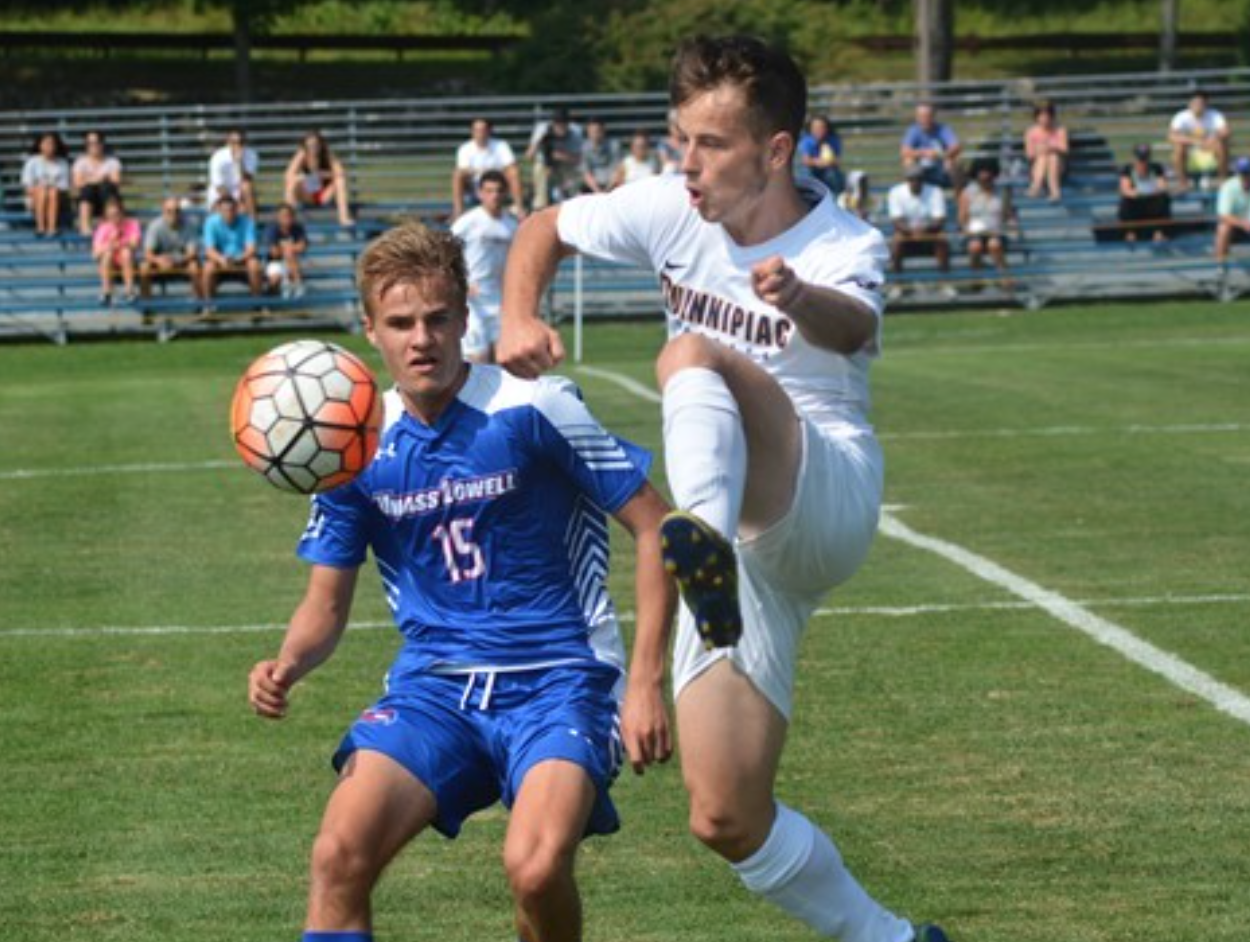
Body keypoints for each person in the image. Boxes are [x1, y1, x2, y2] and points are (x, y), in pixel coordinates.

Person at [499, 33, 951, 942]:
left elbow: (854, 321)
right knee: (725, 815)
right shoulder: (674, 206)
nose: (687, 163)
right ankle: (896, 939)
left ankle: (692, 534)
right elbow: (545, 226)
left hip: (821, 493)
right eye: (680, 138)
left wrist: (795, 298)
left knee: (692, 353)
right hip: (741, 574)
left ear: (776, 150)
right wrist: (517, 313)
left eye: (710, 144)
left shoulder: (842, 240)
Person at [248, 220, 675, 942]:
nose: (422, 338)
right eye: (401, 322)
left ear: (464, 315)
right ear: (370, 331)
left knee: (536, 869)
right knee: (337, 855)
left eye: (438, 318)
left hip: (560, 680)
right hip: (435, 689)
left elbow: (656, 525)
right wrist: (288, 663)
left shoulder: (531, 409)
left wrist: (642, 683)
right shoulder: (356, 445)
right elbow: (325, 605)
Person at [450, 170, 517, 364]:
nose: (494, 195)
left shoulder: (511, 225)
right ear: (480, 193)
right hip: (472, 302)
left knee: (505, 360)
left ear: (505, 193)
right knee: (478, 359)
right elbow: (445, 251)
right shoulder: (468, 222)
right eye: (489, 191)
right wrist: (460, 281)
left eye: (498, 191)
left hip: (500, 302)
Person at [887, 164, 951, 285]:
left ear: (923, 179)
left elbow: (940, 219)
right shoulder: (896, 192)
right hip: (907, 236)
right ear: (906, 179)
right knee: (897, 240)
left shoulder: (935, 191)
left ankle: (945, 282)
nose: (915, 181)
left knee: (942, 238)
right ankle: (898, 284)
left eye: (919, 178)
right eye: (912, 178)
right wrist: (912, 232)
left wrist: (923, 230)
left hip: (929, 235)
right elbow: (897, 221)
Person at [451, 117, 524, 220]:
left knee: (514, 172)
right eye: (476, 130)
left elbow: (511, 165)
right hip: (475, 186)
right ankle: (458, 211)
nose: (480, 133)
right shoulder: (465, 148)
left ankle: (519, 208)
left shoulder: (501, 145)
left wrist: (481, 171)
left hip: (499, 184)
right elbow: (464, 170)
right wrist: (488, 171)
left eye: (483, 130)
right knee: (457, 174)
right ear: (472, 132)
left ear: (489, 131)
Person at [958, 158, 1016, 283]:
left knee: (994, 244)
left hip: (997, 232)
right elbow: (962, 218)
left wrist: (1005, 228)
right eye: (981, 172)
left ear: (993, 174)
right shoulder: (967, 193)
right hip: (973, 233)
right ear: (976, 174)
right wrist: (968, 230)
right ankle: (976, 278)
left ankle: (1005, 277)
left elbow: (1008, 216)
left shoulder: (1002, 193)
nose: (985, 175)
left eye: (988, 172)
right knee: (975, 246)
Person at [284, 130, 354, 227]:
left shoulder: (327, 154)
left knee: (340, 181)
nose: (313, 148)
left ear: (321, 145)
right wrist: (305, 177)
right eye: (310, 146)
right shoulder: (302, 154)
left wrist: (325, 174)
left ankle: (343, 217)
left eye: (315, 145)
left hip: (325, 194)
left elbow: (341, 173)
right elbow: (288, 175)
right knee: (292, 183)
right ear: (305, 146)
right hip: (308, 193)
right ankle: (288, 219)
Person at [202, 194, 262, 302]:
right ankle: (208, 305)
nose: (229, 213)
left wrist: (238, 259)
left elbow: (251, 248)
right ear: (219, 210)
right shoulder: (210, 222)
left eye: (231, 209)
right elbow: (209, 250)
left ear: (236, 209)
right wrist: (221, 259)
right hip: (219, 262)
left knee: (254, 265)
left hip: (242, 260)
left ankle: (257, 303)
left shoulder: (248, 222)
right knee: (208, 268)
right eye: (225, 210)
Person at [141, 197, 202, 300]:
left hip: (182, 261)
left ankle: (198, 303)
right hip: (159, 263)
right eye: (169, 211)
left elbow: (192, 253)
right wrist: (158, 260)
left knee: (194, 267)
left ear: (181, 212)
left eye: (177, 211)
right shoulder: (155, 226)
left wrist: (176, 261)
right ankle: (146, 306)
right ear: (163, 211)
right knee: (144, 267)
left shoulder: (190, 225)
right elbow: (147, 253)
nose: (174, 214)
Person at [1168, 91, 1230, 191]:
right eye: (1195, 103)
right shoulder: (1181, 117)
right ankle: (1183, 183)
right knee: (1178, 148)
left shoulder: (1215, 115)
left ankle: (1222, 181)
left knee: (1221, 145)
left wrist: (1213, 138)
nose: (1198, 106)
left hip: (1210, 152)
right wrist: (1196, 142)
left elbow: (1226, 131)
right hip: (1189, 154)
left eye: (1201, 103)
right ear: (1190, 104)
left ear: (1206, 104)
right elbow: (1172, 136)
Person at [525, 106, 584, 209]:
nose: (560, 126)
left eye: (563, 123)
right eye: (557, 123)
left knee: (574, 176)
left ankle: (573, 202)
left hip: (566, 165)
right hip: (544, 164)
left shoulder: (575, 132)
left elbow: (579, 159)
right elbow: (529, 156)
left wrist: (559, 155)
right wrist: (540, 141)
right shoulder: (542, 129)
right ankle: (540, 204)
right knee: (539, 169)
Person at [91, 195, 141, 306]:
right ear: (107, 215)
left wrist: (120, 243)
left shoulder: (132, 224)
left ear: (122, 212)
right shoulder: (102, 228)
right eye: (111, 215)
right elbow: (95, 254)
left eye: (117, 214)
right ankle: (106, 291)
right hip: (109, 262)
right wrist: (109, 245)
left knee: (126, 252)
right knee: (108, 253)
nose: (114, 218)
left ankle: (130, 291)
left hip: (127, 260)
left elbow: (135, 244)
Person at [72, 130, 123, 237]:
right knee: (88, 190)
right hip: (88, 200)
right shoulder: (80, 162)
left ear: (102, 144)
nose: (94, 146)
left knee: (105, 188)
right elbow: (77, 183)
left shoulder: (112, 162)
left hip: (107, 199)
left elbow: (116, 180)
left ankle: (109, 227)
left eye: (97, 142)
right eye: (90, 143)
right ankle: (85, 228)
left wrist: (89, 179)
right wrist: (100, 178)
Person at [900, 102, 962, 190]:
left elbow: (956, 146)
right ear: (917, 118)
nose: (924, 119)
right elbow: (904, 151)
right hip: (920, 168)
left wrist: (942, 155)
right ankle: (912, 197)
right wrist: (923, 153)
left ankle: (959, 199)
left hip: (941, 166)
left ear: (933, 116)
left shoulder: (943, 129)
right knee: (908, 161)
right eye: (921, 116)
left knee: (954, 162)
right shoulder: (913, 130)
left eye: (927, 116)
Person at [1117, 144, 1171, 243]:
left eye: (1145, 158)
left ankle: (1159, 232)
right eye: (1140, 159)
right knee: (1125, 201)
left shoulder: (1156, 168)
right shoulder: (1127, 169)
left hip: (1152, 202)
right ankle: (1130, 232)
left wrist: (1152, 191)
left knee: (1164, 198)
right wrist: (1136, 193)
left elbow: (1162, 186)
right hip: (1136, 202)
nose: (1143, 162)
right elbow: (1124, 189)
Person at [20, 131, 70, 238]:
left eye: (52, 143)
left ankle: (52, 228)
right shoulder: (32, 162)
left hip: (57, 199)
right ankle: (40, 227)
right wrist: (41, 188)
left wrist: (50, 187)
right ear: (40, 145)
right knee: (42, 191)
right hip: (35, 197)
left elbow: (64, 187)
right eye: (46, 143)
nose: (49, 146)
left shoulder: (62, 163)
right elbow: (27, 186)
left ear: (56, 146)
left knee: (53, 192)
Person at [1023, 100, 1068, 201]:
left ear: (1052, 117)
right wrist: (1039, 150)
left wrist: (1051, 148)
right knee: (1043, 157)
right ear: (1036, 117)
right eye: (1041, 116)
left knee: (1053, 157)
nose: (1044, 119)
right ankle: (1053, 191)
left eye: (1047, 116)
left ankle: (1037, 188)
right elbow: (1029, 155)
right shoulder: (1031, 132)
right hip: (1037, 168)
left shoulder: (1060, 130)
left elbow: (1065, 149)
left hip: (1058, 168)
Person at [207, 128, 259, 214]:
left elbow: (247, 181)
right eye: (234, 142)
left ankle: (253, 224)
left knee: (247, 186)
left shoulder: (251, 155)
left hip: (241, 195)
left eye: (241, 142)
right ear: (228, 143)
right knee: (230, 210)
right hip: (220, 196)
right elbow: (219, 187)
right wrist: (234, 205)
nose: (238, 146)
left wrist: (240, 163)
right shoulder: (218, 157)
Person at [263, 204, 309, 299]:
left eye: (289, 215)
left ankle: (297, 284)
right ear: (278, 217)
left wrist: (285, 248)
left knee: (289, 254)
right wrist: (291, 248)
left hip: (296, 261)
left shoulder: (298, 228)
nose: (286, 218)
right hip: (276, 261)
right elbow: (274, 252)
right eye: (283, 216)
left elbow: (302, 246)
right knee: (275, 280)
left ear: (293, 217)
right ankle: (268, 303)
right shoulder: (272, 229)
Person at [797, 114, 846, 195]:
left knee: (834, 175)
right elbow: (806, 160)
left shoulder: (833, 140)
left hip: (828, 170)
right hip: (812, 170)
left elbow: (837, 161)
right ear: (811, 129)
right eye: (815, 128)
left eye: (821, 128)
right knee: (806, 173)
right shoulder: (807, 140)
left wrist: (829, 162)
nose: (818, 130)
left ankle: (837, 197)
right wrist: (818, 162)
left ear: (827, 128)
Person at [580, 117, 622, 194]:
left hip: (611, 185)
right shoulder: (584, 147)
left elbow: (618, 170)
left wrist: (607, 190)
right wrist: (598, 191)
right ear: (588, 132)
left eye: (598, 131)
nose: (595, 134)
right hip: (593, 187)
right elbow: (586, 173)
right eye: (592, 131)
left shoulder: (614, 145)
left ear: (603, 131)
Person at [657, 109, 685, 174]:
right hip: (669, 177)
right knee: (669, 168)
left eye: (679, 125)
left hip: (683, 175)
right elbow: (665, 163)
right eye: (674, 124)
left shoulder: (687, 143)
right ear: (669, 126)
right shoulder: (663, 143)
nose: (677, 128)